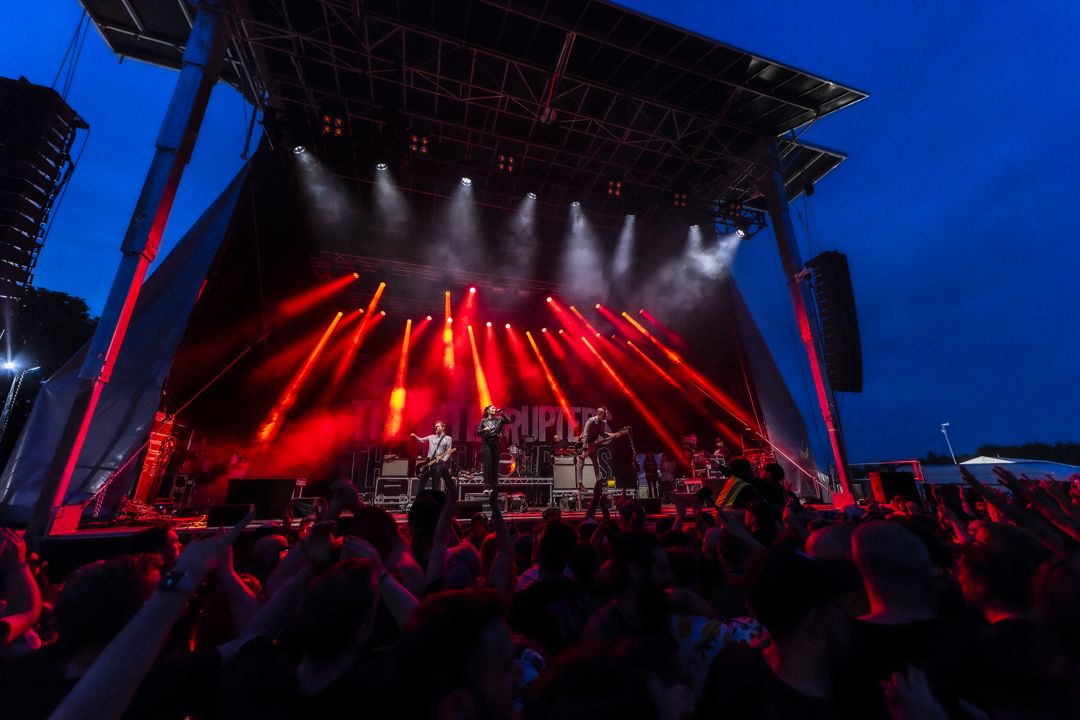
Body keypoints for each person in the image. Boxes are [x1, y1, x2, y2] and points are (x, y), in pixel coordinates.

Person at [411, 421, 454, 494]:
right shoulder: (431, 437)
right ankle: (419, 498)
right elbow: (421, 440)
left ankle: (434, 499)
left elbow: (449, 450)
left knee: (435, 481)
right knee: (423, 479)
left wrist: (444, 459)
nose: (436, 427)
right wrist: (414, 436)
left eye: (438, 426)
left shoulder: (448, 438)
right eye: (435, 426)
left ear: (443, 428)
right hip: (429, 460)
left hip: (438, 461)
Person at [576, 406, 612, 487]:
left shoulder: (603, 422)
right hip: (583, 443)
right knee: (580, 464)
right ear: (599, 413)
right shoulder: (591, 421)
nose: (606, 415)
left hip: (591, 445)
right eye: (605, 414)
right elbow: (585, 435)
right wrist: (584, 449)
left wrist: (613, 435)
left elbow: (602, 433)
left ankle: (598, 483)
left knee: (596, 464)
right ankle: (580, 484)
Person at [476, 405, 511, 488]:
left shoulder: (499, 419)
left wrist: (502, 413)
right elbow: (477, 432)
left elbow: (508, 420)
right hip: (486, 443)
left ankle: (494, 484)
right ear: (488, 410)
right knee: (487, 464)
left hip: (495, 442)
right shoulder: (484, 421)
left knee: (495, 464)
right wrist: (483, 430)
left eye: (495, 408)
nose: (494, 409)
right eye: (492, 408)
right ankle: (487, 484)